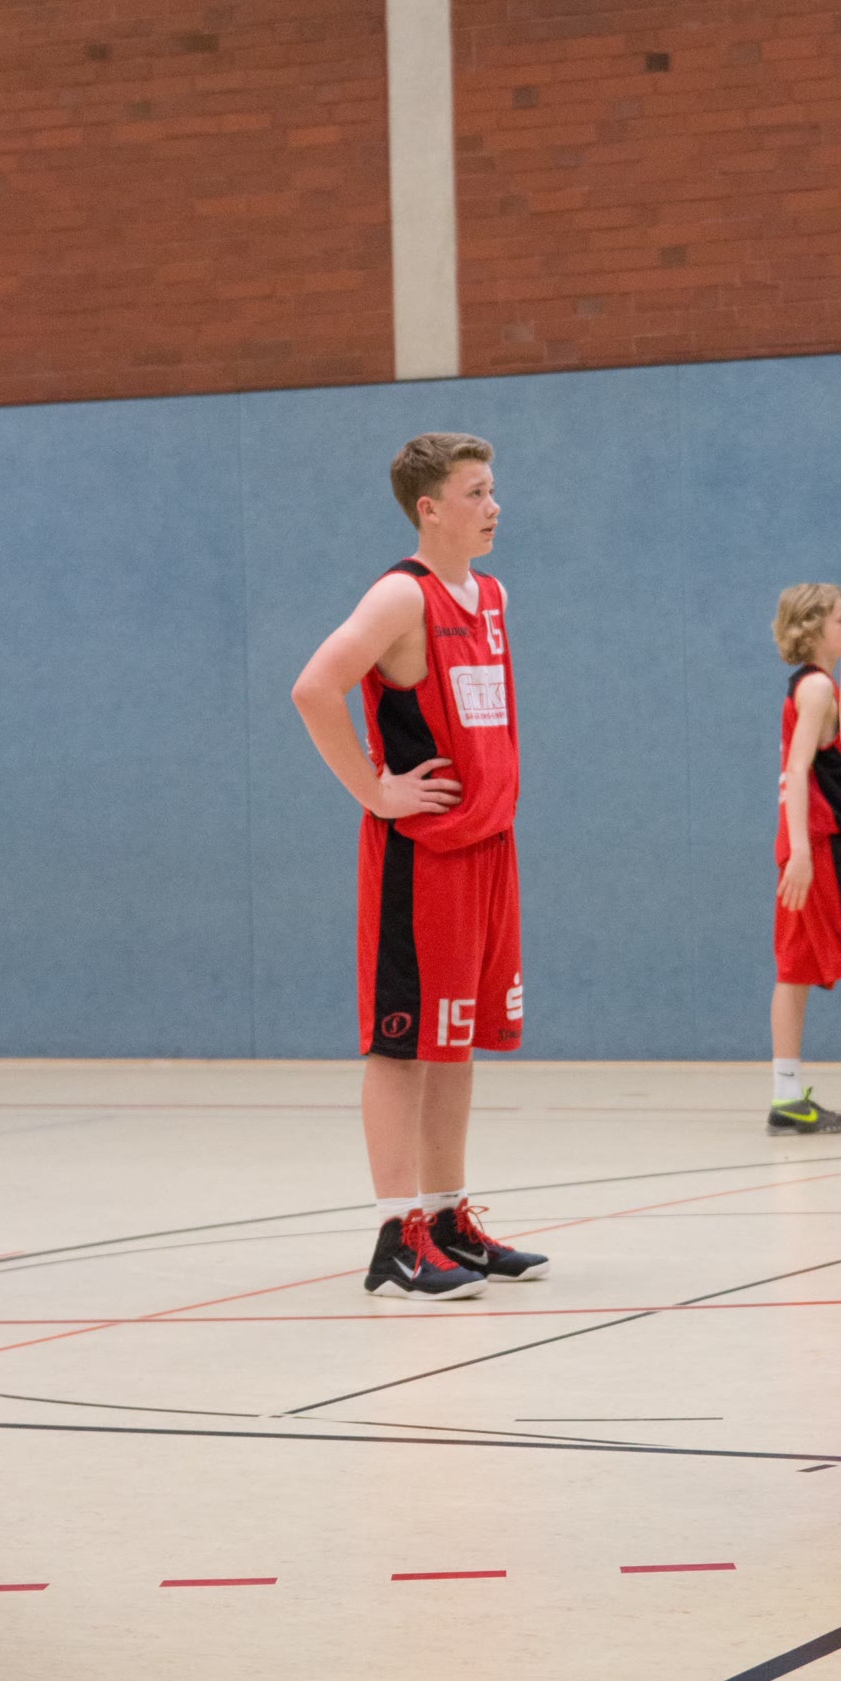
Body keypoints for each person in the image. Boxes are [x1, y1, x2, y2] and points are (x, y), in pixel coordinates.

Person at [292, 432, 547, 1299]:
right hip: (422, 856)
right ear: (429, 509)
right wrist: (374, 791)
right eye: (475, 493)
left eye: (492, 489)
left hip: (488, 845)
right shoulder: (400, 595)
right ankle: (393, 1235)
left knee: (457, 1039)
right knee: (401, 1045)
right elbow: (313, 688)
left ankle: (444, 1217)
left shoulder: (491, 594)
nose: (493, 506)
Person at [768, 584, 841, 1136]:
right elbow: (799, 768)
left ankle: (785, 1094)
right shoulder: (821, 687)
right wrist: (803, 849)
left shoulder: (811, 685)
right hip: (824, 847)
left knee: (794, 967)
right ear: (815, 627)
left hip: (805, 843)